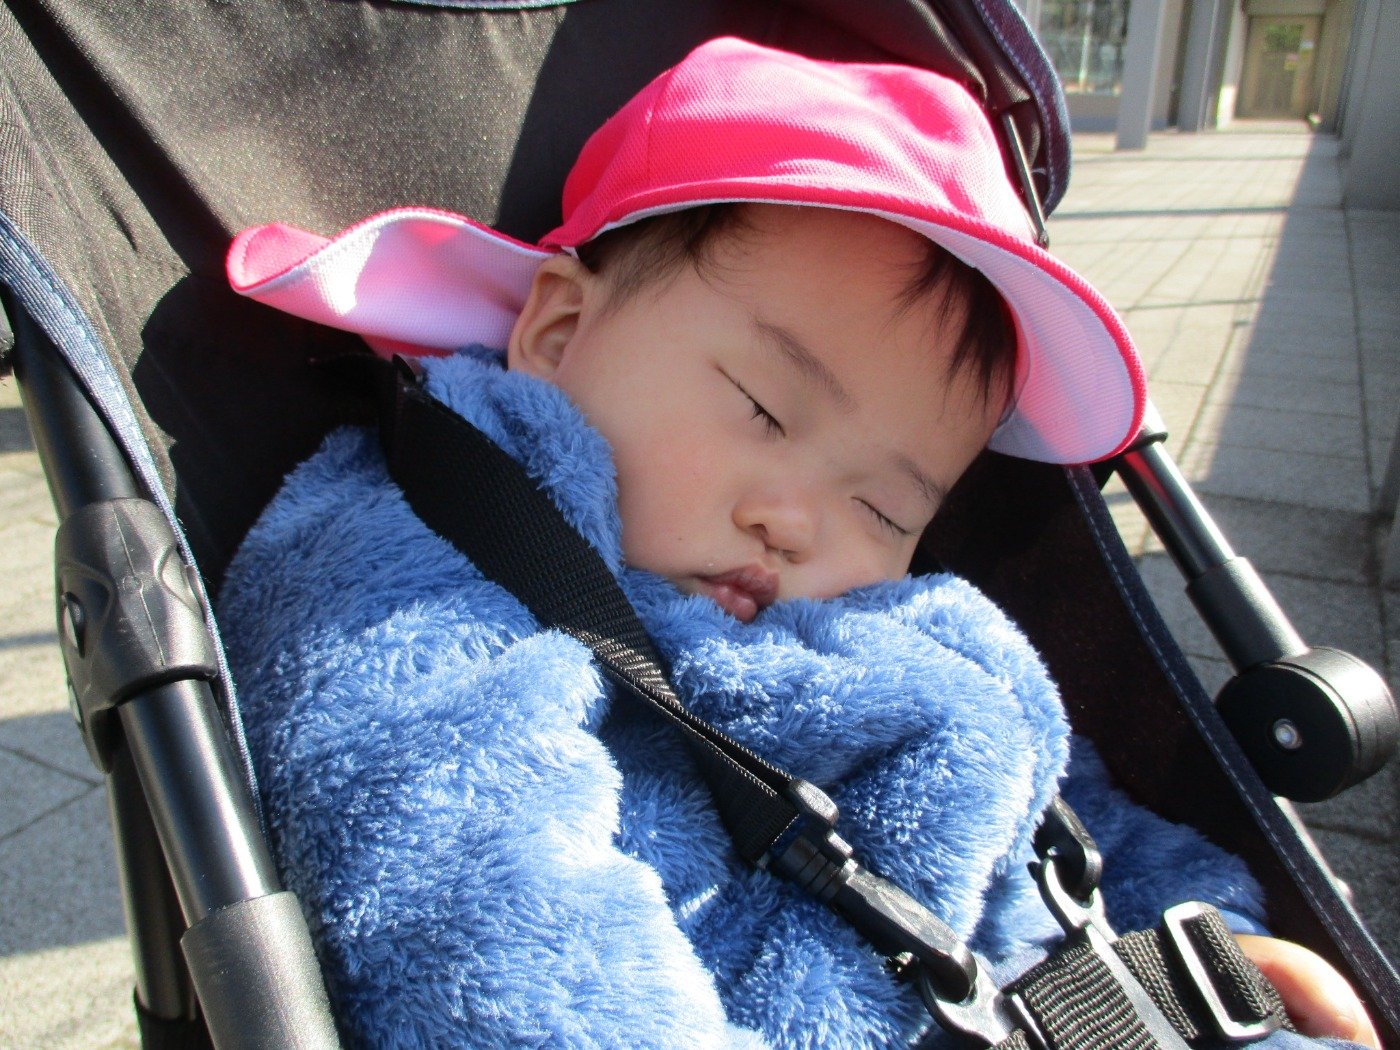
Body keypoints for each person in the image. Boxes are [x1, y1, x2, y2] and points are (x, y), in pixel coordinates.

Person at [221, 37, 1378, 1048]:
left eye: (885, 510)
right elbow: (478, 915)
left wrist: (1194, 936)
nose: (801, 522)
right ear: (561, 328)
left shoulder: (887, 621)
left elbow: (1048, 788)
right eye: (766, 412)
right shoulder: (418, 580)